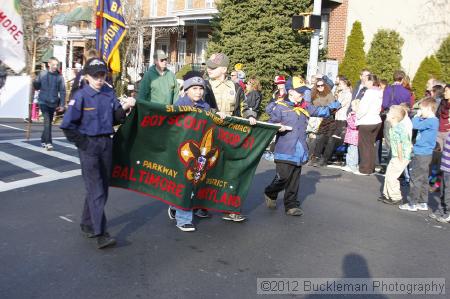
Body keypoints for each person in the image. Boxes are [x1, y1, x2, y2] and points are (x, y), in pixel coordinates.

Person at [60, 58, 136, 249]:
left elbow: (116, 118)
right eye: (95, 75)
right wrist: (84, 144)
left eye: (102, 75)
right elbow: (67, 125)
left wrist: (126, 106)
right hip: (89, 146)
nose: (99, 79)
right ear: (86, 76)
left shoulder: (109, 93)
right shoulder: (80, 96)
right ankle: (100, 232)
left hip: (106, 144)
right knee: (97, 190)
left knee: (102, 188)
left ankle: (87, 222)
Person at [263, 86, 339, 215]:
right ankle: (271, 192)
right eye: (300, 92)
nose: (303, 95)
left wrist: (336, 104)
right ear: (291, 92)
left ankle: (291, 205)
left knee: (294, 179)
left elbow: (322, 111)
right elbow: (271, 123)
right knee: (283, 177)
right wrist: (277, 127)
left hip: (299, 150)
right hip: (284, 149)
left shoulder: (305, 106)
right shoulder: (280, 106)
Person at [204, 53, 257, 222]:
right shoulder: (203, 85)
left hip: (229, 136)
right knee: (204, 170)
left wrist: (249, 115)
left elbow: (244, 107)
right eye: (208, 66)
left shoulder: (235, 87)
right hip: (207, 133)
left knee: (231, 173)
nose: (209, 69)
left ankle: (229, 208)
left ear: (224, 70)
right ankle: (198, 205)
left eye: (213, 67)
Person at [167, 72, 217, 232]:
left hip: (199, 152)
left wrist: (218, 116)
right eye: (194, 88)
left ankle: (176, 206)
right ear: (187, 90)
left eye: (201, 89)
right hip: (182, 150)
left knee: (193, 181)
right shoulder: (179, 106)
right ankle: (183, 219)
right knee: (184, 182)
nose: (198, 92)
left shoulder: (206, 107)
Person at [399, 98, 439, 212]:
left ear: (428, 109)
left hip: (422, 153)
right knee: (424, 178)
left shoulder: (431, 121)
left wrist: (417, 116)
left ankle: (412, 203)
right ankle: (422, 202)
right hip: (425, 153)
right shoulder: (433, 120)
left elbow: (415, 125)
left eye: (421, 109)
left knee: (415, 178)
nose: (420, 111)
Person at [380, 105, 412, 205]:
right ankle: (387, 194)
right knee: (389, 174)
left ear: (394, 117)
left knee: (392, 176)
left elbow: (400, 144)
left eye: (389, 112)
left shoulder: (397, 129)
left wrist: (400, 158)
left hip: (400, 156)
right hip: (396, 156)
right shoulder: (394, 127)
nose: (387, 114)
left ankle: (396, 197)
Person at [33, 57, 66, 151]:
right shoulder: (42, 74)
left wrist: (62, 105)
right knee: (47, 122)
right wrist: (35, 81)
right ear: (49, 64)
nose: (55, 66)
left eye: (57, 65)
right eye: (54, 64)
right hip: (43, 101)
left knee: (49, 123)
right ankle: (49, 143)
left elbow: (63, 91)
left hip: (53, 102)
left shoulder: (59, 77)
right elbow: (37, 86)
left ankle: (43, 139)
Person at [317, 77, 352, 167]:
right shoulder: (340, 93)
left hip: (342, 119)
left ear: (344, 84)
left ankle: (325, 159)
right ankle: (324, 158)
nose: (337, 86)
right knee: (330, 138)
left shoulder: (347, 94)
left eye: (339, 84)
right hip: (337, 118)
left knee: (333, 139)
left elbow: (337, 105)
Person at [355, 74, 383, 175]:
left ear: (371, 82)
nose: (364, 82)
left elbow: (363, 108)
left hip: (367, 121)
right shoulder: (379, 92)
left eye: (366, 80)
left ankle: (365, 168)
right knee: (371, 145)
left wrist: (357, 114)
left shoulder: (369, 92)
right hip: (376, 120)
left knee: (364, 146)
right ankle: (371, 167)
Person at [430, 131, 450, 223]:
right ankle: (441, 210)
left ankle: (447, 213)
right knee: (443, 190)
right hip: (445, 166)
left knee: (448, 192)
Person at [342, 100, 360, 172]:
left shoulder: (356, 115)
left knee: (353, 151)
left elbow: (354, 126)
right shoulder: (352, 114)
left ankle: (353, 165)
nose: (351, 107)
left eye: (353, 106)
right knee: (349, 150)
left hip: (354, 136)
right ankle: (348, 164)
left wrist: (349, 119)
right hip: (350, 135)